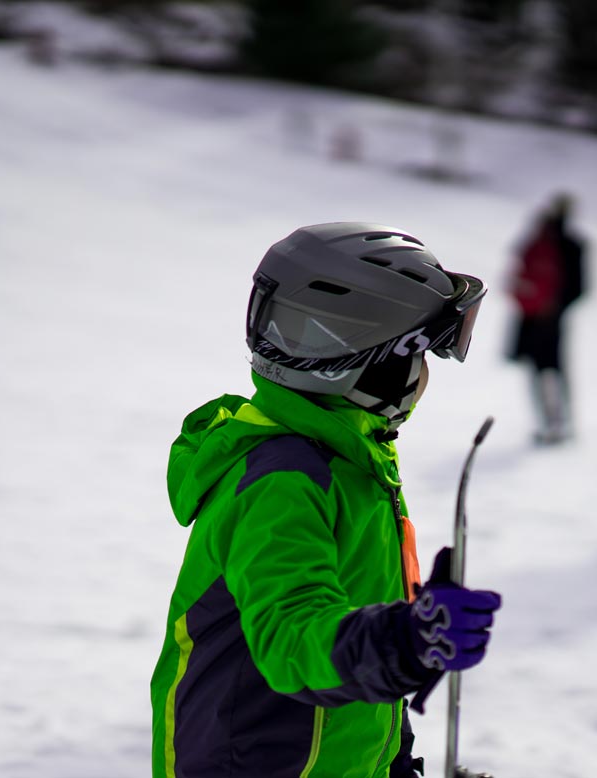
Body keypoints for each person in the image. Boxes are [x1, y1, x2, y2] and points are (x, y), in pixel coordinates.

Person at [150, 223, 503, 778]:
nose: (427, 374)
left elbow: (349, 666)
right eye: (425, 353)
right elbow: (295, 640)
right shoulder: (283, 481)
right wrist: (406, 640)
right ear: (380, 362)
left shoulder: (351, 465)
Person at [507, 193, 587, 444]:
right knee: (554, 371)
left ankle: (549, 422)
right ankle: (559, 422)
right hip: (549, 320)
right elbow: (579, 287)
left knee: (539, 371)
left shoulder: (539, 238)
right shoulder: (572, 244)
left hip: (530, 317)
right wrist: (557, 308)